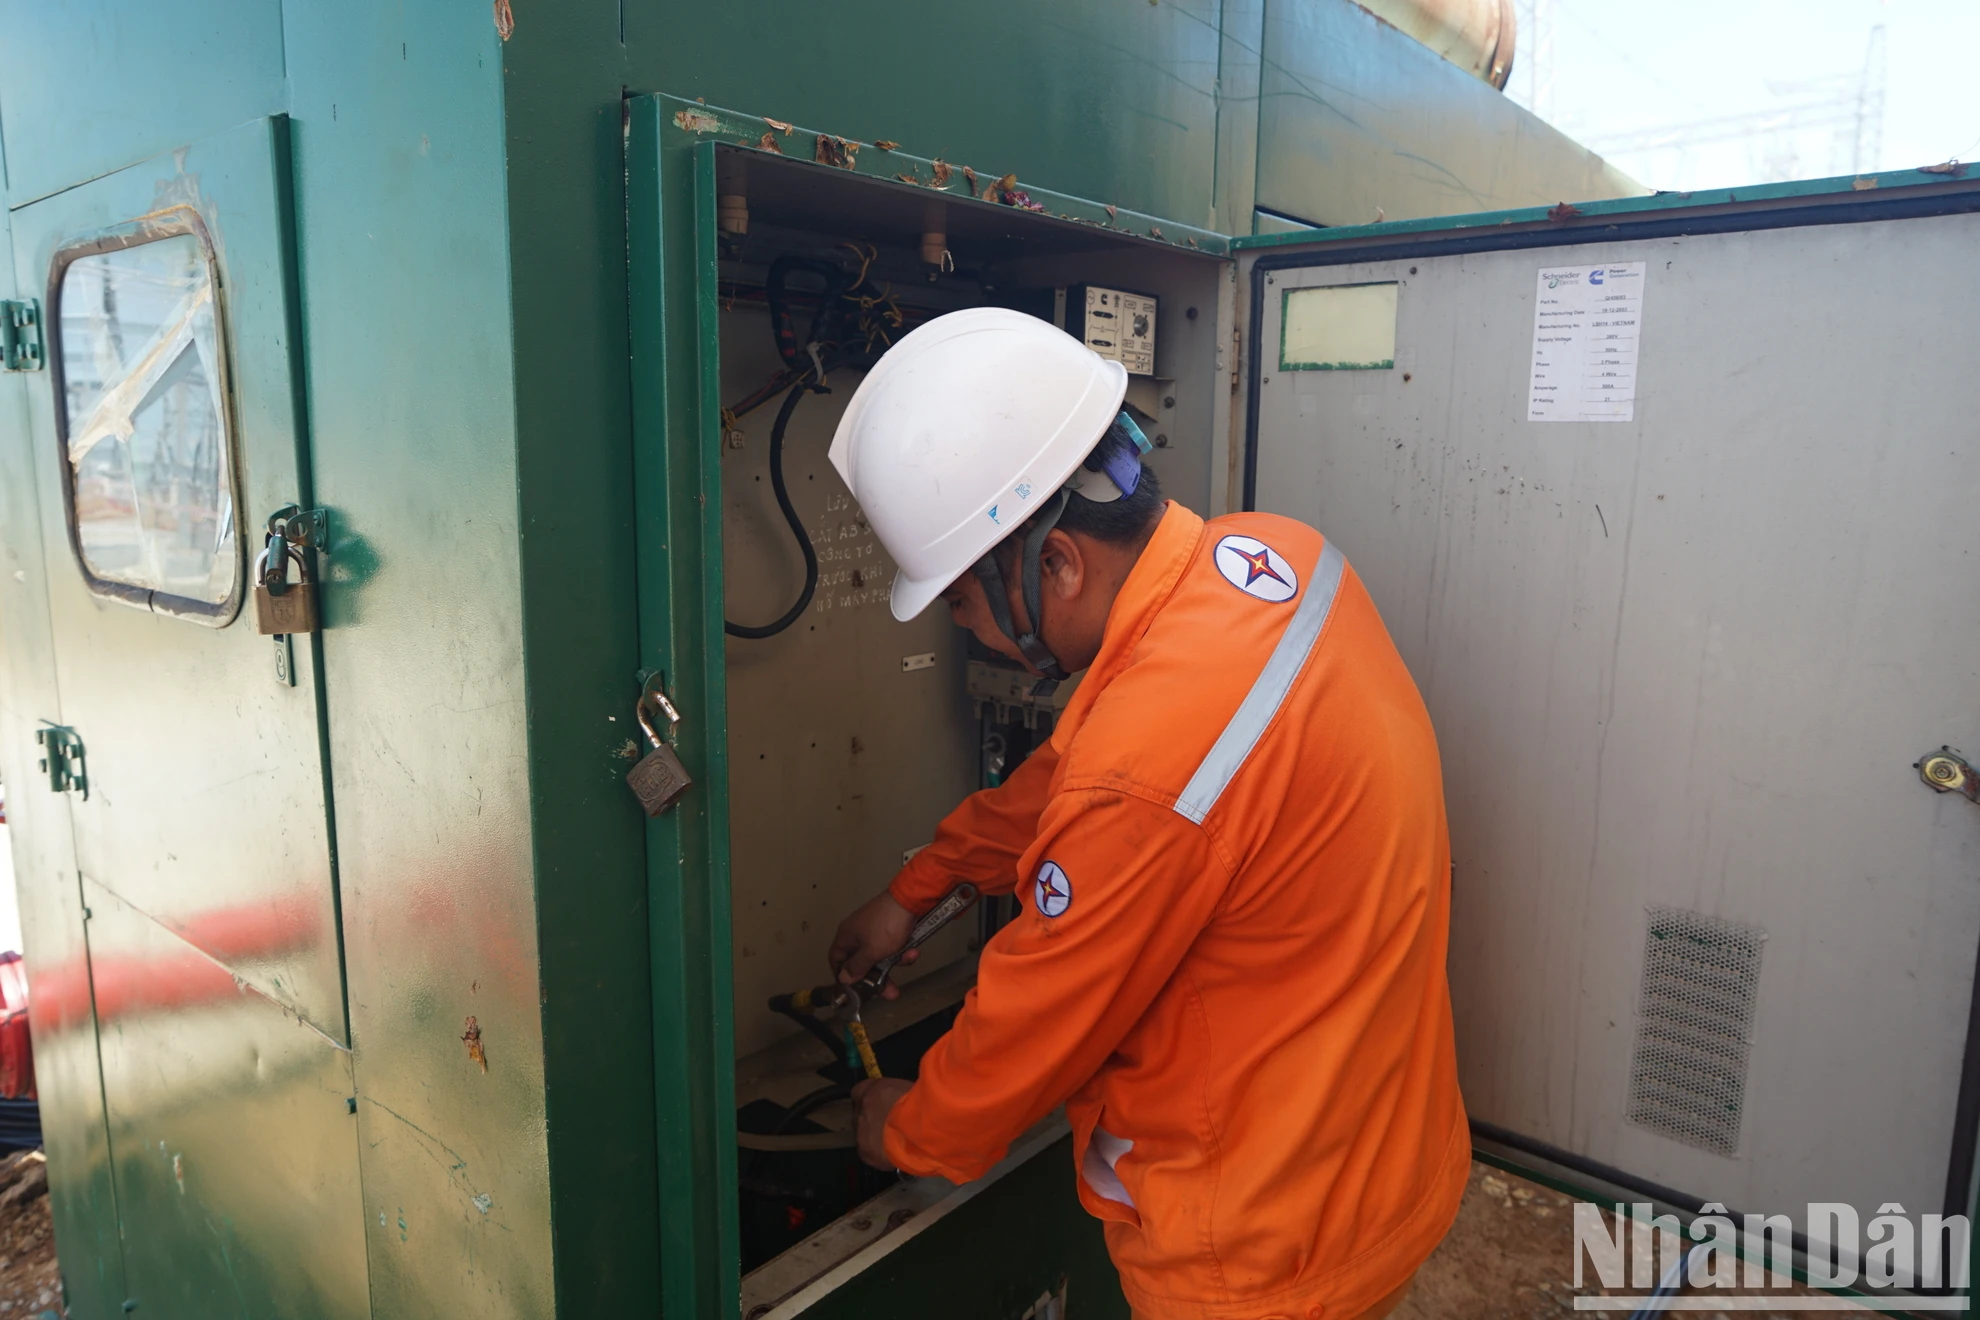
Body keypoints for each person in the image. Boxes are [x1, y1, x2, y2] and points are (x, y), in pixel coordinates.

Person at [825, 307, 1467, 1320]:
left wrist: (904, 1126)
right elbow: (1085, 773)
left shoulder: (1141, 771)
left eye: (960, 603)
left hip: (1256, 1258)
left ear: (1059, 567)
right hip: (1377, 1154)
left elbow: (1030, 1030)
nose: (971, 634)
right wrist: (921, 885)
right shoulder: (1274, 561)